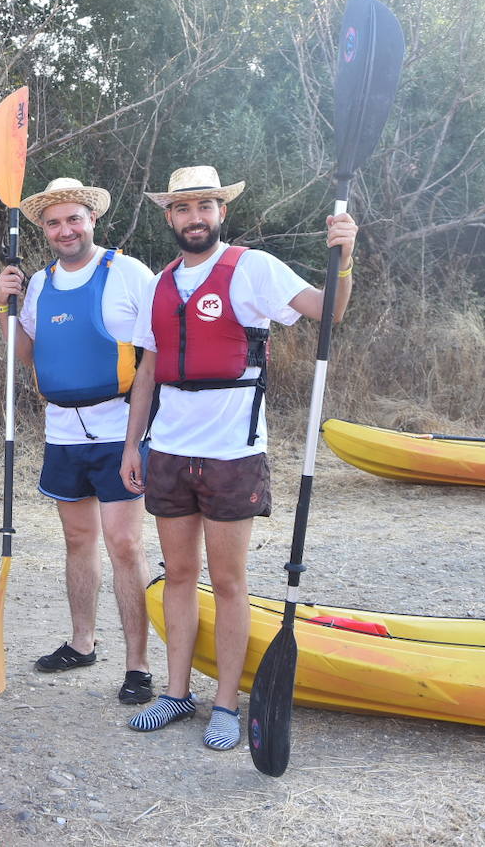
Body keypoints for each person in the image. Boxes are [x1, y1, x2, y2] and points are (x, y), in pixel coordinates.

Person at [119, 165, 357, 751]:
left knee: (227, 580)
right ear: (169, 217)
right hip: (171, 448)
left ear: (221, 212)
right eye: (182, 208)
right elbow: (147, 370)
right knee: (178, 576)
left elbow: (330, 310)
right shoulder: (160, 283)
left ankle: (226, 701)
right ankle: (177, 692)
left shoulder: (253, 268)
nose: (194, 218)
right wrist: (132, 443)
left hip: (232, 452)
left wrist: (344, 257)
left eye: (205, 206)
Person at [0, 177, 157, 704]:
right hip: (63, 432)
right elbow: (27, 354)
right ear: (43, 229)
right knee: (77, 541)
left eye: (74, 219)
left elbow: (152, 358)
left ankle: (138, 664)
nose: (65, 230)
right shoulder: (37, 284)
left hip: (118, 429)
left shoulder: (128, 273)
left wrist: (136, 440)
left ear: (92, 219)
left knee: (125, 545)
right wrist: (4, 308)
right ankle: (82, 642)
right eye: (54, 222)